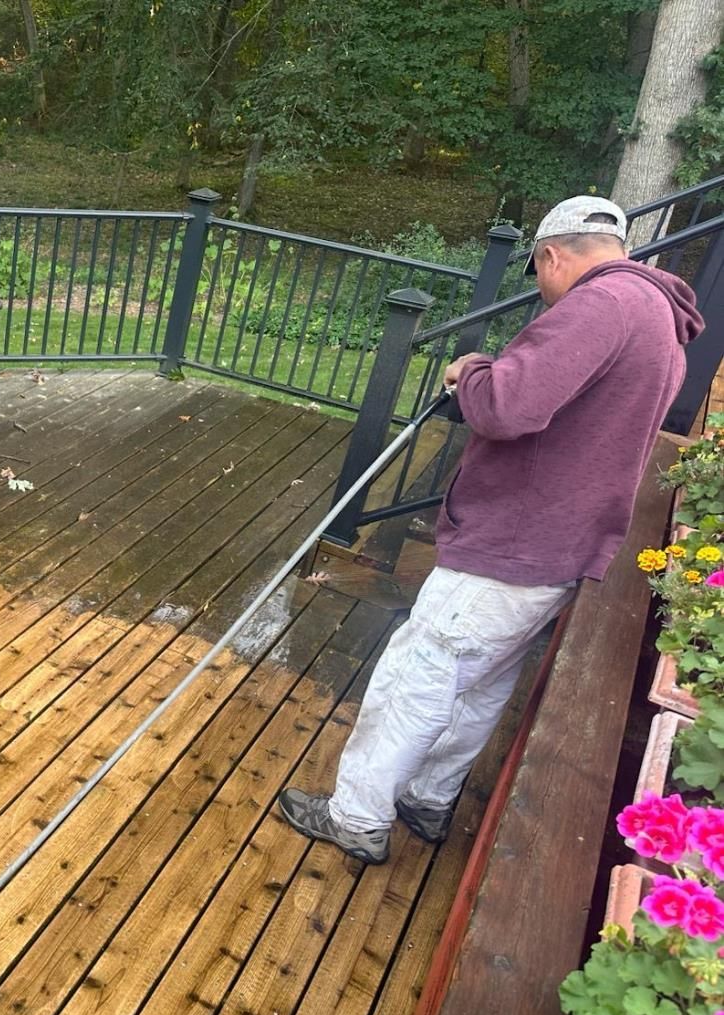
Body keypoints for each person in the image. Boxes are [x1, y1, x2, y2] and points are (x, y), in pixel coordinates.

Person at [278, 195, 705, 865]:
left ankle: (356, 814)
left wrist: (471, 370)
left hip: (513, 541)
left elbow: (508, 405)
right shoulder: (661, 318)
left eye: (540, 275)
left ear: (552, 255)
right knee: (480, 678)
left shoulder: (601, 306)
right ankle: (427, 796)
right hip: (562, 544)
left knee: (419, 669)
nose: (542, 293)